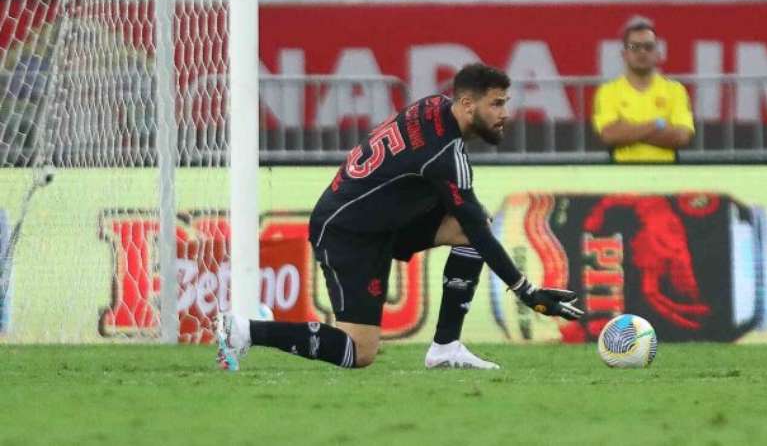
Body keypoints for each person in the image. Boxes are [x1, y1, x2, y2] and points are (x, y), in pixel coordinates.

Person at [216, 63, 584, 371]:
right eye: (497, 104)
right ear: (468, 105)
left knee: (470, 228)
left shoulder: (435, 107)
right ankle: (244, 331)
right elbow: (476, 226)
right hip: (347, 234)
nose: (506, 113)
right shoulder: (444, 155)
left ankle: (445, 348)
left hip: (380, 220)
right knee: (359, 352)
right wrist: (528, 292)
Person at [593, 16, 694, 163]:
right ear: (624, 54)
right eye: (634, 47)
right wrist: (657, 125)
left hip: (667, 172)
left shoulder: (675, 90)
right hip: (622, 172)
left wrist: (628, 131)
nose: (642, 52)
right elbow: (609, 135)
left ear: (658, 54)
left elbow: (681, 136)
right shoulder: (608, 91)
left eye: (648, 47)